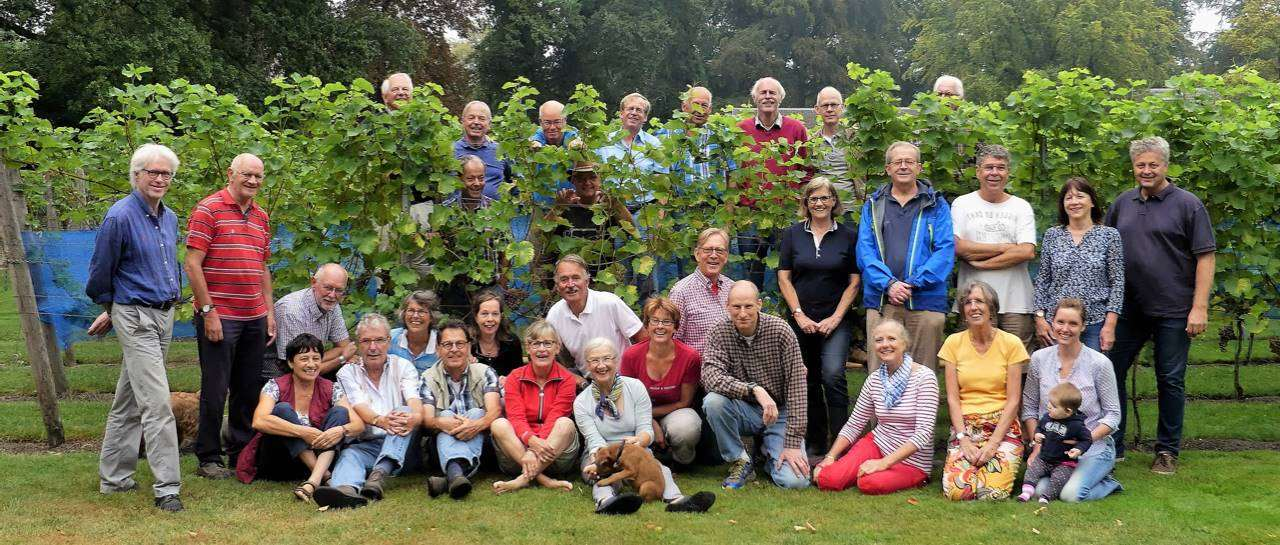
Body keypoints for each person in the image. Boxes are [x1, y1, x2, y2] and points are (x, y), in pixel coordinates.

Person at [1104, 136, 1216, 473]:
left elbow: (1206, 257)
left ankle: (1167, 451)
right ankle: (1114, 444)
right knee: (1111, 373)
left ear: (1165, 166)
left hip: (1174, 308)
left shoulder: (1188, 204)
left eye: (1153, 164)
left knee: (1170, 379)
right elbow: (1106, 250)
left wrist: (1200, 307)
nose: (1147, 170)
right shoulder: (1122, 204)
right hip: (1128, 308)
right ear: (1133, 167)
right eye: (1141, 165)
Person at [85, 143, 185, 512]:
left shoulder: (170, 217)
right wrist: (113, 310)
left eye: (166, 173)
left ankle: (114, 478)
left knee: (130, 398)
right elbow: (99, 274)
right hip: (135, 317)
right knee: (158, 403)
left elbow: (165, 266)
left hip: (164, 315)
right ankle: (167, 488)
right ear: (136, 175)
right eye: (152, 172)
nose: (160, 179)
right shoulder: (119, 217)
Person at [186, 152, 275, 480]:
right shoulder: (208, 210)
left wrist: (268, 311)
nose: (253, 181)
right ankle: (208, 457)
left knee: (247, 388)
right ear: (231, 174)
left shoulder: (262, 217)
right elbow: (193, 264)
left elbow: (263, 266)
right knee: (215, 388)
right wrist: (208, 311)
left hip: (253, 316)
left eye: (258, 176)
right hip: (220, 316)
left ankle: (241, 452)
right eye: (247, 175)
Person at [577, 337, 716, 514]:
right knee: (600, 474)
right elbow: (593, 439)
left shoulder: (635, 388)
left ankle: (678, 500)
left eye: (607, 359)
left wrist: (639, 441)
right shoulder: (582, 401)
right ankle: (606, 502)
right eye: (594, 360)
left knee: (659, 468)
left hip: (637, 448)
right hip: (601, 451)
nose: (601, 365)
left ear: (616, 361)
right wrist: (596, 463)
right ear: (587, 366)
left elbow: (646, 429)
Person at [701, 281, 810, 490]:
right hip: (744, 409)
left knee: (795, 481)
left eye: (748, 306)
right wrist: (754, 389)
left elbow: (797, 388)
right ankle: (740, 460)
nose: (742, 313)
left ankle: (766, 454)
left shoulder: (781, 331)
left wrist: (793, 443)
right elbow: (711, 376)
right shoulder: (719, 332)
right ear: (727, 306)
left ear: (759, 305)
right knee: (713, 402)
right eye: (736, 307)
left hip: (781, 411)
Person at [777, 178, 859, 452]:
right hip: (802, 320)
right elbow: (784, 278)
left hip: (836, 319)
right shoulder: (792, 234)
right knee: (807, 378)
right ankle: (814, 442)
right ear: (806, 203)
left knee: (833, 375)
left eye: (825, 198)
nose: (820, 203)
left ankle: (841, 442)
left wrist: (836, 318)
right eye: (814, 199)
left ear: (834, 201)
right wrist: (798, 314)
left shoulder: (849, 235)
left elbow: (855, 282)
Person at [857, 141, 953, 371]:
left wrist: (911, 284)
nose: (903, 166)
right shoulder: (873, 205)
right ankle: (882, 409)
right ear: (888, 169)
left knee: (923, 374)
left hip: (926, 301)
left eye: (909, 161)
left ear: (919, 167)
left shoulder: (936, 205)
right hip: (883, 300)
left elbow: (945, 250)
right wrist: (889, 284)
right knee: (881, 374)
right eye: (897, 162)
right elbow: (865, 251)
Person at [814, 320, 938, 494]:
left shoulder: (924, 378)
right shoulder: (874, 380)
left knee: (868, 483)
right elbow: (854, 424)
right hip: (878, 444)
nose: (885, 345)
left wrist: (883, 463)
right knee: (827, 479)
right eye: (879, 340)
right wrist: (830, 457)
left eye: (892, 339)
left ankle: (911, 477)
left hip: (912, 460)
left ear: (904, 343)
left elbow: (923, 434)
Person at [314, 313, 424, 509]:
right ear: (358, 344)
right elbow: (359, 406)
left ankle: (380, 474)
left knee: (404, 410)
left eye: (379, 340)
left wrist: (413, 417)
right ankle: (345, 491)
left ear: (389, 341)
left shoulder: (404, 366)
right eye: (366, 341)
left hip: (404, 449)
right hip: (368, 445)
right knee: (351, 454)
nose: (373, 347)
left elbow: (415, 402)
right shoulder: (348, 372)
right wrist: (382, 421)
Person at [237, 334, 361, 504]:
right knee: (282, 410)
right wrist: (303, 432)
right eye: (304, 359)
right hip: (279, 462)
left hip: (317, 458)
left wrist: (341, 430)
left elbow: (358, 425)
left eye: (316, 358)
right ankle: (325, 477)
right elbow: (258, 421)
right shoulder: (274, 385)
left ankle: (313, 481)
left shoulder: (331, 387)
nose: (311, 364)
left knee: (340, 412)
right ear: (290, 363)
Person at [1021, 298, 1123, 502]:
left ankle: (1108, 482)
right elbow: (1030, 408)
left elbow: (1113, 414)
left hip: (1093, 447)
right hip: (1052, 450)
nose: (1065, 329)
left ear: (1083, 326)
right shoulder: (1039, 359)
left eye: (1073, 323)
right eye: (1060, 322)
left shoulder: (1099, 363)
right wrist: (1037, 446)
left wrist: (1084, 441)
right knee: (1039, 491)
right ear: (1052, 322)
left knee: (1070, 495)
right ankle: (1081, 478)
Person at [939, 280, 1028, 501]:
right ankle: (973, 466)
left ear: (991, 308)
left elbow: (1013, 400)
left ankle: (994, 467)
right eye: (968, 302)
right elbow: (953, 399)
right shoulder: (953, 343)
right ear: (963, 311)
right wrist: (963, 439)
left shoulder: (1011, 343)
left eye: (980, 301)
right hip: (966, 426)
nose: (973, 307)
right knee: (957, 493)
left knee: (992, 494)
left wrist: (993, 444)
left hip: (1002, 425)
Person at [950, 144, 1038, 351]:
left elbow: (1027, 251)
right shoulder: (962, 204)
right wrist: (1004, 247)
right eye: (989, 167)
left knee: (1017, 365)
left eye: (1001, 168)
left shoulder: (1021, 206)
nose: (994, 173)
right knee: (971, 360)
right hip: (973, 301)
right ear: (978, 172)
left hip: (1016, 302)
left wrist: (982, 264)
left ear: (1008, 173)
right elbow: (958, 247)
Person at [734, 76, 811, 291]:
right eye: (763, 93)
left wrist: (799, 207)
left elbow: (806, 173)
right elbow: (733, 173)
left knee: (786, 275)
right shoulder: (741, 130)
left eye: (772, 93)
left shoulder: (796, 130)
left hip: (785, 216)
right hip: (749, 217)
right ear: (755, 98)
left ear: (780, 98)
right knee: (751, 274)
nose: (767, 96)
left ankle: (784, 320)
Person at [1033, 177, 1124, 352]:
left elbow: (1117, 283)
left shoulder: (1109, 236)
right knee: (1056, 376)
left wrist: (1110, 325)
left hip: (1095, 323)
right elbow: (1042, 280)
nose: (1074, 202)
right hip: (1057, 325)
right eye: (1068, 198)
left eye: (1080, 196)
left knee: (1090, 377)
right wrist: (1040, 318)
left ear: (1091, 202)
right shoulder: (1053, 235)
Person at [489, 321, 582, 494]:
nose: (542, 349)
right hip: (518, 453)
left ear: (557, 348)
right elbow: (516, 417)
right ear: (528, 348)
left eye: (548, 343)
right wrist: (531, 442)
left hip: (555, 453)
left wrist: (535, 449)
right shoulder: (515, 377)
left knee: (565, 423)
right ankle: (543, 479)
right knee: (499, 424)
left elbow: (556, 415)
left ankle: (521, 480)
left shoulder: (567, 379)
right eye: (536, 343)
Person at [420, 321, 502, 500]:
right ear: (438, 349)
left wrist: (475, 425)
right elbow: (427, 419)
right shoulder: (428, 378)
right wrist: (442, 422)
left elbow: (494, 410)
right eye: (447, 344)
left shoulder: (485, 372)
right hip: (441, 445)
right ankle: (456, 474)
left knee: (476, 413)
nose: (454, 349)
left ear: (469, 347)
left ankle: (453, 475)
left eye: (460, 344)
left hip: (482, 443)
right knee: (445, 415)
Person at [619, 297, 703, 466]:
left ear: (675, 326)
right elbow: (626, 400)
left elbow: (684, 402)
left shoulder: (690, 357)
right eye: (654, 321)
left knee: (686, 427)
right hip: (637, 413)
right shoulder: (631, 355)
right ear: (647, 325)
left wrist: (651, 416)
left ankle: (681, 462)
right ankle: (639, 461)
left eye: (666, 321)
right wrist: (650, 422)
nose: (660, 326)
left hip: (675, 410)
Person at [545, 255, 646, 376]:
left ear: (587, 281)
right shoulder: (554, 315)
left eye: (576, 278)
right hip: (588, 384)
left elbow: (643, 339)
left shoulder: (609, 303)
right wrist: (576, 380)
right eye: (564, 279)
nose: (570, 284)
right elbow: (547, 354)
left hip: (623, 378)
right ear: (557, 286)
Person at [267, 263, 355, 381]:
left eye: (339, 290)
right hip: (279, 371)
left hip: (310, 369)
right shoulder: (291, 310)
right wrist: (341, 358)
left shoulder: (332, 305)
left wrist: (313, 359)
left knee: (352, 370)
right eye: (328, 288)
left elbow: (344, 346)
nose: (333, 295)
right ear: (313, 282)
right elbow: (297, 368)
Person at [1017, 382, 1093, 503]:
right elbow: (1040, 428)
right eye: (1049, 403)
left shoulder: (1077, 425)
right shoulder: (1048, 417)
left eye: (1054, 405)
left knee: (1058, 479)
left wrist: (1079, 449)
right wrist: (1037, 435)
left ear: (1068, 411)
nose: (1049, 407)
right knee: (1032, 470)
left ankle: (1046, 497)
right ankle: (1026, 492)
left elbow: (1087, 439)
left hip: (1064, 462)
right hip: (1044, 458)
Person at [595, 92, 669, 209]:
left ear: (645, 117)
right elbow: (596, 178)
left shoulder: (655, 144)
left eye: (639, 110)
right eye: (630, 109)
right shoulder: (605, 143)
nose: (634, 113)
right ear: (621, 113)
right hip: (611, 212)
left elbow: (661, 186)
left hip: (645, 214)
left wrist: (659, 222)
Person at [668, 227, 734, 353]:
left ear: (726, 256)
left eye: (719, 250)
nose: (714, 255)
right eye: (708, 250)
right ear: (697, 254)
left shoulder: (732, 288)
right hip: (697, 370)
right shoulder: (681, 292)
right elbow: (672, 341)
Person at [809, 86, 862, 211]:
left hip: (852, 209)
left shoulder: (857, 139)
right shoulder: (811, 143)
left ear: (842, 108)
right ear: (817, 109)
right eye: (825, 105)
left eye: (834, 105)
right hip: (822, 210)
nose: (829, 109)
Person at [453, 100, 512, 200]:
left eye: (481, 119)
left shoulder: (501, 151)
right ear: (462, 121)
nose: (476, 122)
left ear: (489, 124)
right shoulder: (450, 152)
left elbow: (515, 183)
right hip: (457, 214)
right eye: (471, 118)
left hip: (495, 214)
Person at [467, 289, 524, 377]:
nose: (490, 319)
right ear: (476, 317)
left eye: (495, 314)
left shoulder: (512, 342)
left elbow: (519, 376)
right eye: (484, 314)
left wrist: (508, 381)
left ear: (501, 316)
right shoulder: (466, 344)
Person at [388, 290, 441, 372]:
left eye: (421, 311)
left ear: (431, 317)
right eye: (411, 311)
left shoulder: (441, 342)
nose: (415, 316)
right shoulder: (390, 339)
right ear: (404, 314)